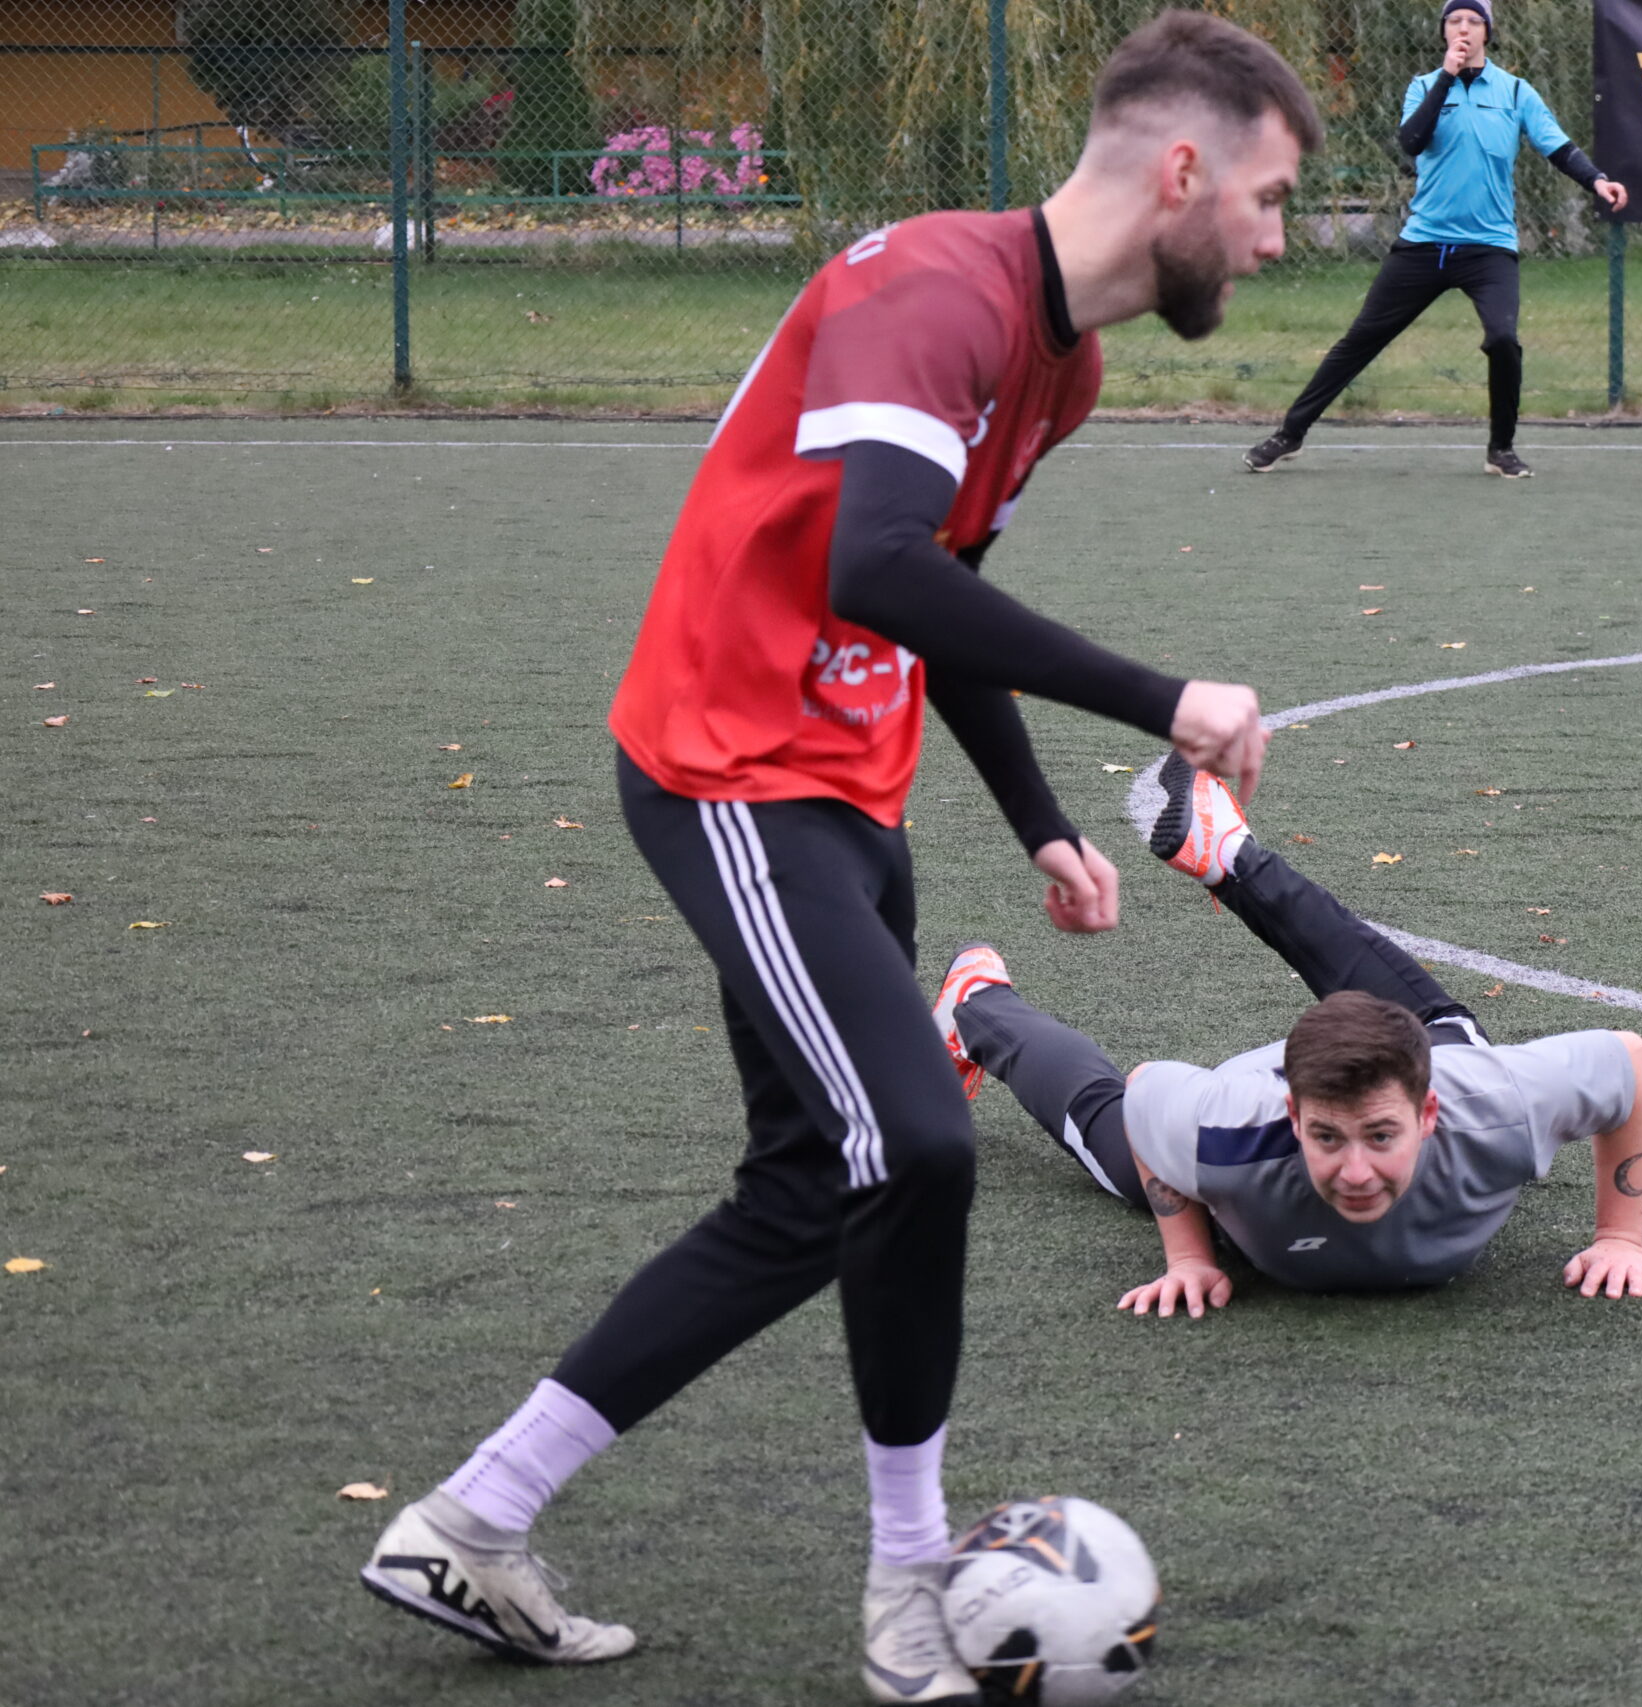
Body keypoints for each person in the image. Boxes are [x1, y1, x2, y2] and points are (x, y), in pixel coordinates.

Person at [355, 15, 1320, 1702]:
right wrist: (1165, 698)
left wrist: (1036, 817)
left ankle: (473, 1519)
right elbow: (875, 560)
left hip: (842, 792)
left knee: (817, 1182)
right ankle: (908, 1580)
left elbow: (939, 590)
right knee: (917, 1140)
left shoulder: (1063, 364)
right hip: (729, 772)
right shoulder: (935, 291)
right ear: (1183, 170)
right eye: (1271, 195)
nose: (1276, 238)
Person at [932, 755, 1642, 1312]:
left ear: (1428, 1113)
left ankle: (1228, 855)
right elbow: (1148, 1089)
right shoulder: (1224, 1134)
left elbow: (1629, 1062)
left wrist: (1620, 1237)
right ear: (1293, 1117)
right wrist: (1189, 1257)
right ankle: (976, 1006)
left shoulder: (1497, 1102)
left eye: (1381, 1135)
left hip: (1431, 1063)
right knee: (1123, 1149)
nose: (1355, 1171)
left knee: (1447, 1032)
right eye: (1329, 1138)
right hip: (1243, 1116)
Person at [1242, 0, 1629, 480]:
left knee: (1503, 339)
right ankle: (1290, 434)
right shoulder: (1424, 87)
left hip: (1488, 248)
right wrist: (1447, 76)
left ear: (1487, 32)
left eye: (1473, 21)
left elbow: (1560, 147)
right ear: (1444, 32)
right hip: (1424, 244)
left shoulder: (1515, 91)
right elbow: (1411, 141)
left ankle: (1501, 449)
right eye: (1454, 21)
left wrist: (1597, 181)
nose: (1464, 28)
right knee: (1360, 340)